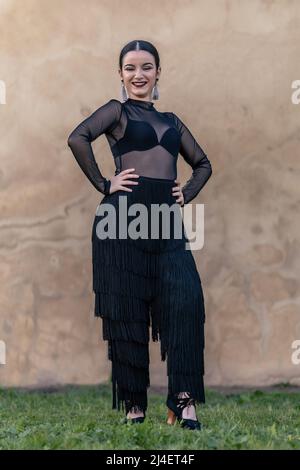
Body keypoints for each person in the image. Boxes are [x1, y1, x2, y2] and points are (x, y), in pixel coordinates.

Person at [67, 39, 212, 431]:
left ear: (158, 72)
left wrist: (188, 191)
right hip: (122, 221)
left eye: (146, 67)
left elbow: (202, 163)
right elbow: (77, 138)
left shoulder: (172, 121)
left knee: (185, 301)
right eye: (130, 68)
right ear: (121, 74)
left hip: (166, 222)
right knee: (128, 314)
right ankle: (134, 403)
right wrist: (103, 183)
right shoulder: (116, 112)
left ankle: (182, 400)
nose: (138, 74)